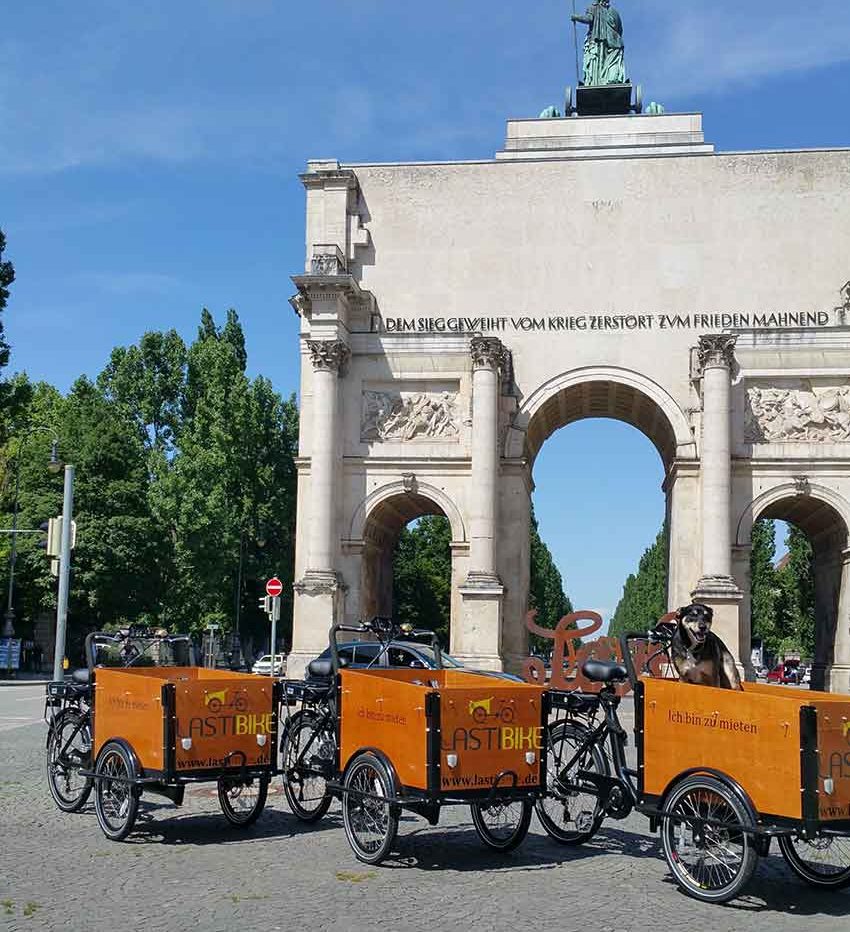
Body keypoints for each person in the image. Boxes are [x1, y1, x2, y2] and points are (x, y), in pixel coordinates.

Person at [571, 0, 626, 86]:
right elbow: (619, 29)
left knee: (597, 60)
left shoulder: (594, 8)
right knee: (606, 61)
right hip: (612, 42)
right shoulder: (613, 12)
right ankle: (605, 79)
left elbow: (589, 18)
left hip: (598, 40)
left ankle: (597, 81)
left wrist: (575, 17)